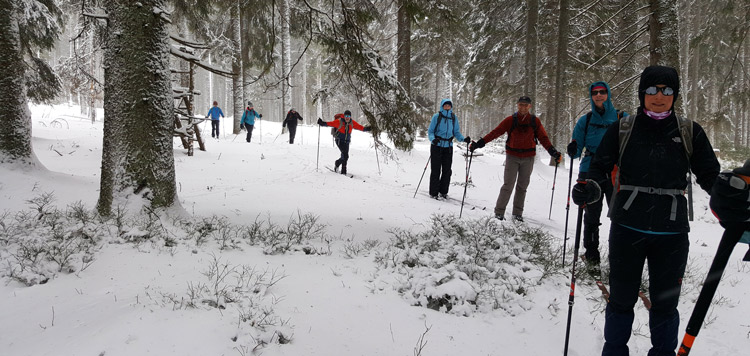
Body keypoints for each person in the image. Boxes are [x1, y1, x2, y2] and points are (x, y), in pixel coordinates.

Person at [571, 65, 720, 356]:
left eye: (667, 90)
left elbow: (710, 176)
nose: (659, 96)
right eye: (652, 90)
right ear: (642, 93)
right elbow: (600, 168)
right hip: (628, 230)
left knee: (665, 306)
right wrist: (590, 187)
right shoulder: (624, 129)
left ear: (675, 94)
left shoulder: (689, 131)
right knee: (621, 300)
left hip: (671, 234)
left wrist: (730, 198)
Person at [469, 96, 561, 222]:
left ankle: (517, 214)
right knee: (508, 185)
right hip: (512, 157)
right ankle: (499, 213)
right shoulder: (510, 120)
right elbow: (496, 132)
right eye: (521, 105)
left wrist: (552, 151)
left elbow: (543, 138)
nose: (523, 107)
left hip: (528, 158)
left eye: (525, 105)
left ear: (530, 106)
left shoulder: (535, 121)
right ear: (517, 105)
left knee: (522, 187)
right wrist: (479, 143)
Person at [567, 81, 628, 268]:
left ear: (608, 94)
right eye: (595, 93)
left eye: (602, 92)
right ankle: (592, 254)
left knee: (619, 214)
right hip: (590, 170)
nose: (599, 95)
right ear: (591, 96)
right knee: (592, 214)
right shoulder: (585, 120)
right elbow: (576, 152)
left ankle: (619, 256)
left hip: (615, 171)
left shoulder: (622, 117)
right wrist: (573, 149)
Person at [427, 99, 470, 200]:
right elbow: (430, 131)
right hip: (437, 146)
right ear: (442, 106)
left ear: (451, 107)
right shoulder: (436, 117)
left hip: (448, 147)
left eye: (449, 105)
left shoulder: (453, 117)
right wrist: (433, 139)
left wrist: (463, 139)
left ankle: (443, 191)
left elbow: (456, 132)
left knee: (447, 170)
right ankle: (434, 192)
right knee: (436, 170)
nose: (447, 107)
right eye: (445, 105)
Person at [317, 110, 371, 175]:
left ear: (350, 117)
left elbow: (360, 127)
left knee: (344, 156)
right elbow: (330, 124)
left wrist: (368, 128)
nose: (347, 117)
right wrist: (322, 123)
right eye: (346, 116)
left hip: (347, 141)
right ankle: (342, 169)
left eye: (348, 116)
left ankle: (340, 166)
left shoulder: (352, 123)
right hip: (339, 140)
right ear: (344, 116)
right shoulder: (339, 122)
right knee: (345, 155)